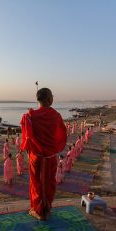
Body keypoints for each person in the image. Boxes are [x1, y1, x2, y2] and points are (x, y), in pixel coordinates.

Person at [20, 88, 67, 220]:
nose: (53, 98)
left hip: (36, 157)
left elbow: (27, 136)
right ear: (48, 99)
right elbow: (61, 134)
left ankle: (38, 210)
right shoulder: (56, 115)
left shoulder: (30, 116)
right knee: (49, 183)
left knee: (36, 183)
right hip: (50, 157)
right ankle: (45, 209)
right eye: (52, 96)